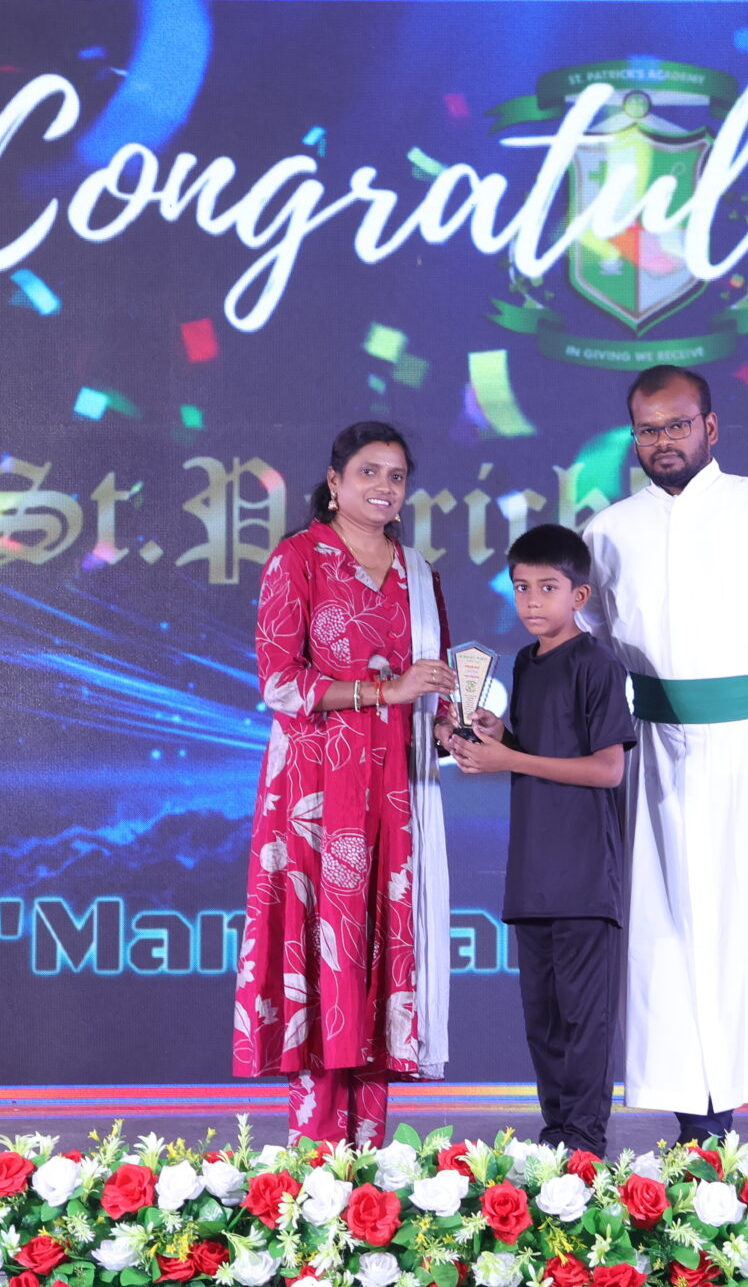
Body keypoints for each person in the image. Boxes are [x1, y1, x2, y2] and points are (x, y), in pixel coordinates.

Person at [580, 364, 748, 1147]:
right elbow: (588, 650)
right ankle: (701, 1135)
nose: (662, 440)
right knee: (675, 936)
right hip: (658, 760)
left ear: (710, 426)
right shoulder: (608, 531)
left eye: (677, 424)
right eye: (648, 429)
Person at [234, 420, 456, 1147]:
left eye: (397, 475)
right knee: (325, 950)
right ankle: (318, 1159)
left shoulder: (419, 574)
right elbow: (280, 682)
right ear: (334, 481)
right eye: (369, 472)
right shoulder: (298, 558)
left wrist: (460, 727)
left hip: (396, 788)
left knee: (380, 957)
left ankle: (369, 1161)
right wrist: (383, 692)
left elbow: (435, 690)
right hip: (315, 791)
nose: (384, 487)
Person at [448, 525, 637, 1155]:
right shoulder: (526, 663)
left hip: (583, 875)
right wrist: (497, 734)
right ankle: (557, 1139)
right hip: (532, 873)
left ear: (579, 595)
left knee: (585, 1021)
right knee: (545, 1022)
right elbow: (539, 749)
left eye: (547, 588)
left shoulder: (597, 664)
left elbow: (607, 769)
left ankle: (584, 1145)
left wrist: (508, 758)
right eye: (521, 587)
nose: (532, 601)